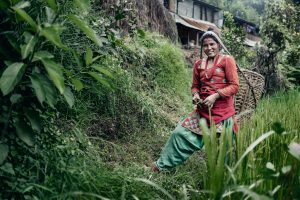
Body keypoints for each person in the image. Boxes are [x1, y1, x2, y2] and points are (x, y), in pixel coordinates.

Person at [151, 28, 239, 172]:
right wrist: (196, 95)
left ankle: (221, 181)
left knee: (225, 150)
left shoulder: (227, 60)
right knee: (179, 134)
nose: (209, 48)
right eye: (205, 45)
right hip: (202, 112)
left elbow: (235, 86)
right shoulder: (198, 64)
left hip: (223, 114)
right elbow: (195, 86)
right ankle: (161, 167)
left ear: (219, 45)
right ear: (202, 47)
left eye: (212, 44)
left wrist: (215, 95)